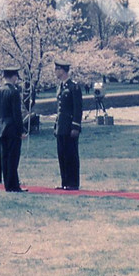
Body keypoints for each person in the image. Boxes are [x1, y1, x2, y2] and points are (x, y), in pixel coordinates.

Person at [0, 66, 27, 192]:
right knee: (13, 158)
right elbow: (16, 114)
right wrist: (21, 130)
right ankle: (13, 185)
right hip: (12, 127)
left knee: (5, 157)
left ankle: (8, 184)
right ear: (14, 77)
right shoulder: (14, 92)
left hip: (2, 126)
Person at [53, 58, 83, 190]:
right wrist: (56, 125)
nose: (55, 71)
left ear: (63, 70)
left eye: (57, 69)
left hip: (69, 126)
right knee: (62, 155)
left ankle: (73, 183)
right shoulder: (60, 87)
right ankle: (64, 182)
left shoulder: (73, 87)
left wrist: (76, 126)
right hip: (61, 127)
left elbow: (77, 108)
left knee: (71, 155)